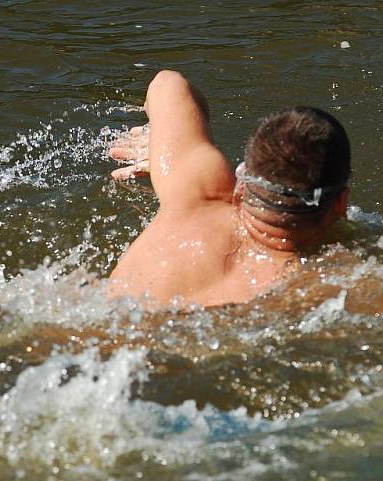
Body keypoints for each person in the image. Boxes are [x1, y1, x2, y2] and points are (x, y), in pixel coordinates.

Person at [108, 70, 351, 307]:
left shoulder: (196, 193)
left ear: (242, 187)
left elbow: (167, 83)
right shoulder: (321, 286)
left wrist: (163, 151)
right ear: (341, 203)